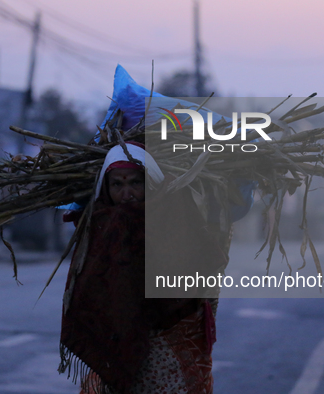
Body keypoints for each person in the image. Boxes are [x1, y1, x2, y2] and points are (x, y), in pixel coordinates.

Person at [59, 142, 227, 394]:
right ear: (106, 187)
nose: (127, 193)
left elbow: (202, 265)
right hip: (119, 336)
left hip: (171, 332)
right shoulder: (99, 221)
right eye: (117, 184)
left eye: (135, 183)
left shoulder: (174, 211)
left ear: (150, 181)